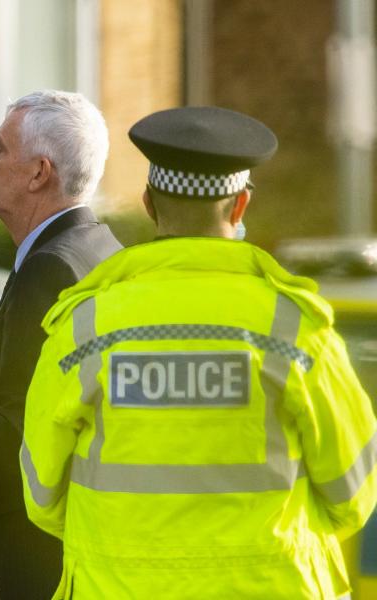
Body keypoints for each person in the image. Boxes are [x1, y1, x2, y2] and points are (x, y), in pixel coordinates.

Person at [21, 106, 377, 598]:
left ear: (148, 203)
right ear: (239, 208)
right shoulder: (293, 328)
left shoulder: (86, 327)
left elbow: (41, 495)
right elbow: (354, 493)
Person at [0, 90, 121, 598]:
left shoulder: (50, 266)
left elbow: (15, 430)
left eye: (0, 149)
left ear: (39, 173)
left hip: (26, 559)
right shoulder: (101, 248)